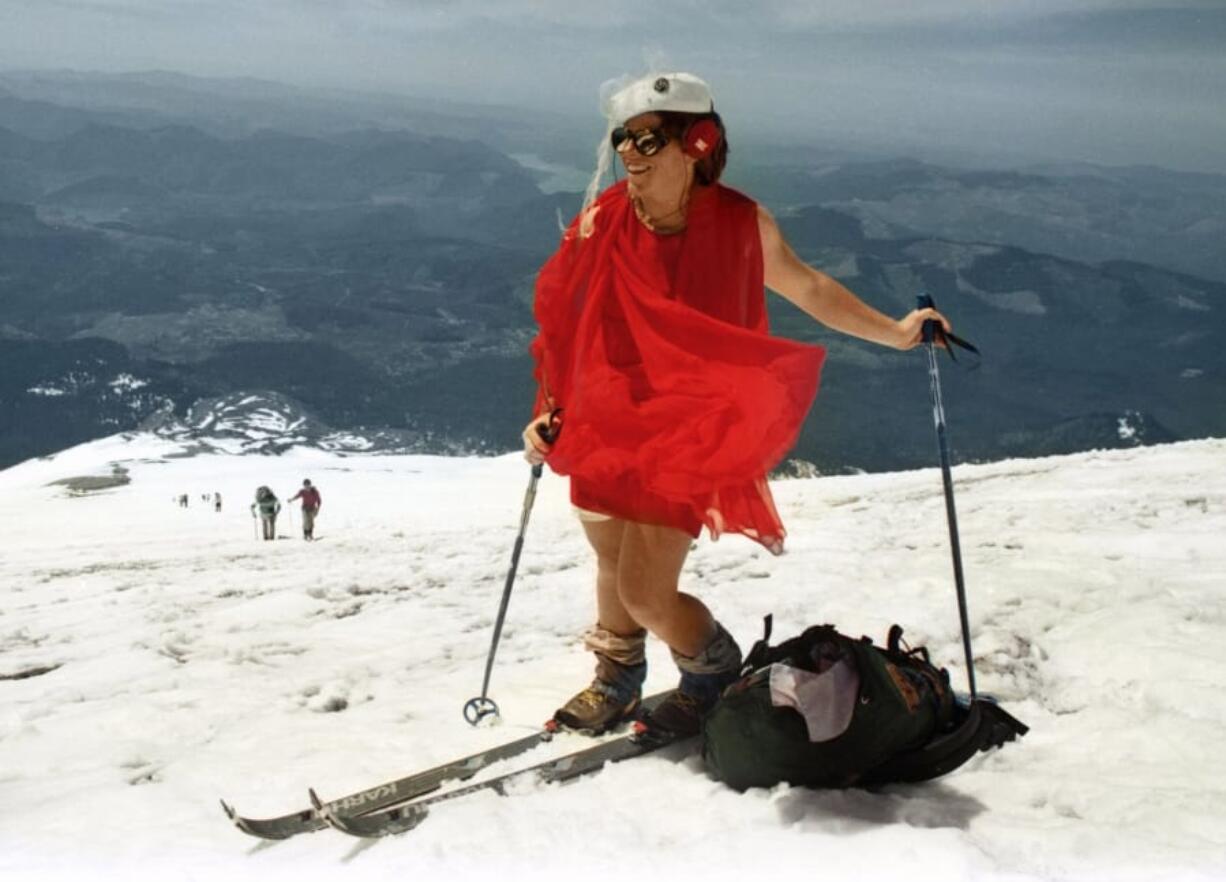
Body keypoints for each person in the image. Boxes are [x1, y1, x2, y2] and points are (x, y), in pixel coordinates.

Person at [522, 72, 952, 738]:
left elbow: (808, 287)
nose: (629, 153)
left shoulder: (739, 225)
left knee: (645, 590)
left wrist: (896, 332)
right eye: (622, 138)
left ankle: (711, 672)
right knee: (610, 561)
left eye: (647, 138)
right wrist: (550, 408)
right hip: (610, 416)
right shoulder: (604, 219)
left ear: (697, 142)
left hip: (692, 427)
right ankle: (617, 679)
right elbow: (566, 319)